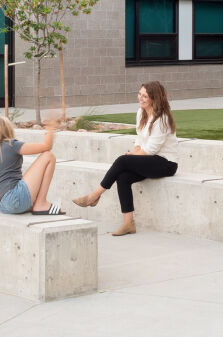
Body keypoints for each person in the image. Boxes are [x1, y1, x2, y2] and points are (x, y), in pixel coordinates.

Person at [72, 81, 178, 236]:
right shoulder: (141, 112)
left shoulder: (162, 119)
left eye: (145, 96)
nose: (140, 98)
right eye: (139, 94)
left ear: (154, 99)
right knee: (123, 177)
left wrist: (132, 156)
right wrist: (135, 152)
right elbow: (140, 140)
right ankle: (129, 223)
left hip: (166, 163)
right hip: (150, 160)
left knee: (123, 160)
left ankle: (93, 196)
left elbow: (151, 149)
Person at [0, 116, 64, 215]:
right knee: (48, 156)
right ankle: (41, 203)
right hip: (14, 199)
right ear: (7, 128)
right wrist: (51, 128)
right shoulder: (12, 145)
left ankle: (37, 203)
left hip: (2, 206)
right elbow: (46, 146)